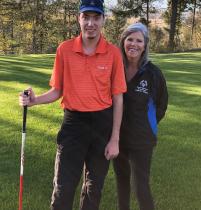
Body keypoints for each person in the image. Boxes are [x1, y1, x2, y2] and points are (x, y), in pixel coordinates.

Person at [19, 0, 127, 210]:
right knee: (63, 187)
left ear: (103, 20)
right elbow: (57, 91)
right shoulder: (64, 50)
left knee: (94, 188)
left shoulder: (113, 53)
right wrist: (35, 100)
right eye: (86, 17)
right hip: (73, 124)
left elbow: (118, 98)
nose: (90, 23)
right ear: (79, 18)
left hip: (102, 124)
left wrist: (115, 139)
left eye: (96, 17)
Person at [113, 22, 168, 210]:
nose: (133, 44)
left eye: (139, 40)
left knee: (141, 187)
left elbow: (162, 105)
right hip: (117, 138)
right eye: (130, 39)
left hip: (142, 140)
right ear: (123, 42)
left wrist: (147, 123)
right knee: (122, 183)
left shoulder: (153, 73)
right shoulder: (115, 69)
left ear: (145, 45)